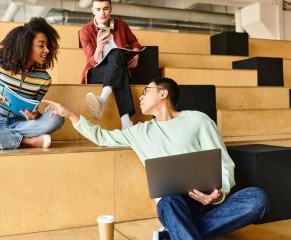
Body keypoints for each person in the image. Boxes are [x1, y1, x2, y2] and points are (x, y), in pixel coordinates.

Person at [42, 77, 269, 240]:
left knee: (257, 198)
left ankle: (173, 236)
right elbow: (102, 137)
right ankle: (178, 233)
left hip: (213, 202)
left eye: (146, 92)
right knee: (169, 201)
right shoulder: (140, 131)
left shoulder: (198, 120)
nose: (140, 98)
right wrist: (70, 114)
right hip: (176, 205)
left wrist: (217, 194)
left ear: (163, 93)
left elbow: (223, 162)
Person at [0, 17, 64, 150]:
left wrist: (34, 115)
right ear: (26, 46)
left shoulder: (44, 79)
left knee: (57, 118)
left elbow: (34, 108)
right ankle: (27, 142)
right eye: (41, 45)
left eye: (47, 46)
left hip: (21, 124)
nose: (47, 50)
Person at [79, 0, 142, 130]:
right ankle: (126, 121)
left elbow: (134, 42)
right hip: (96, 71)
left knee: (118, 60)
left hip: (116, 69)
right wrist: (99, 48)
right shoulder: (85, 31)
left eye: (105, 8)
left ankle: (104, 101)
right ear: (92, 10)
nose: (102, 12)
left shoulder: (121, 25)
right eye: (98, 9)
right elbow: (92, 62)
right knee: (119, 61)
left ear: (111, 8)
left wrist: (136, 55)